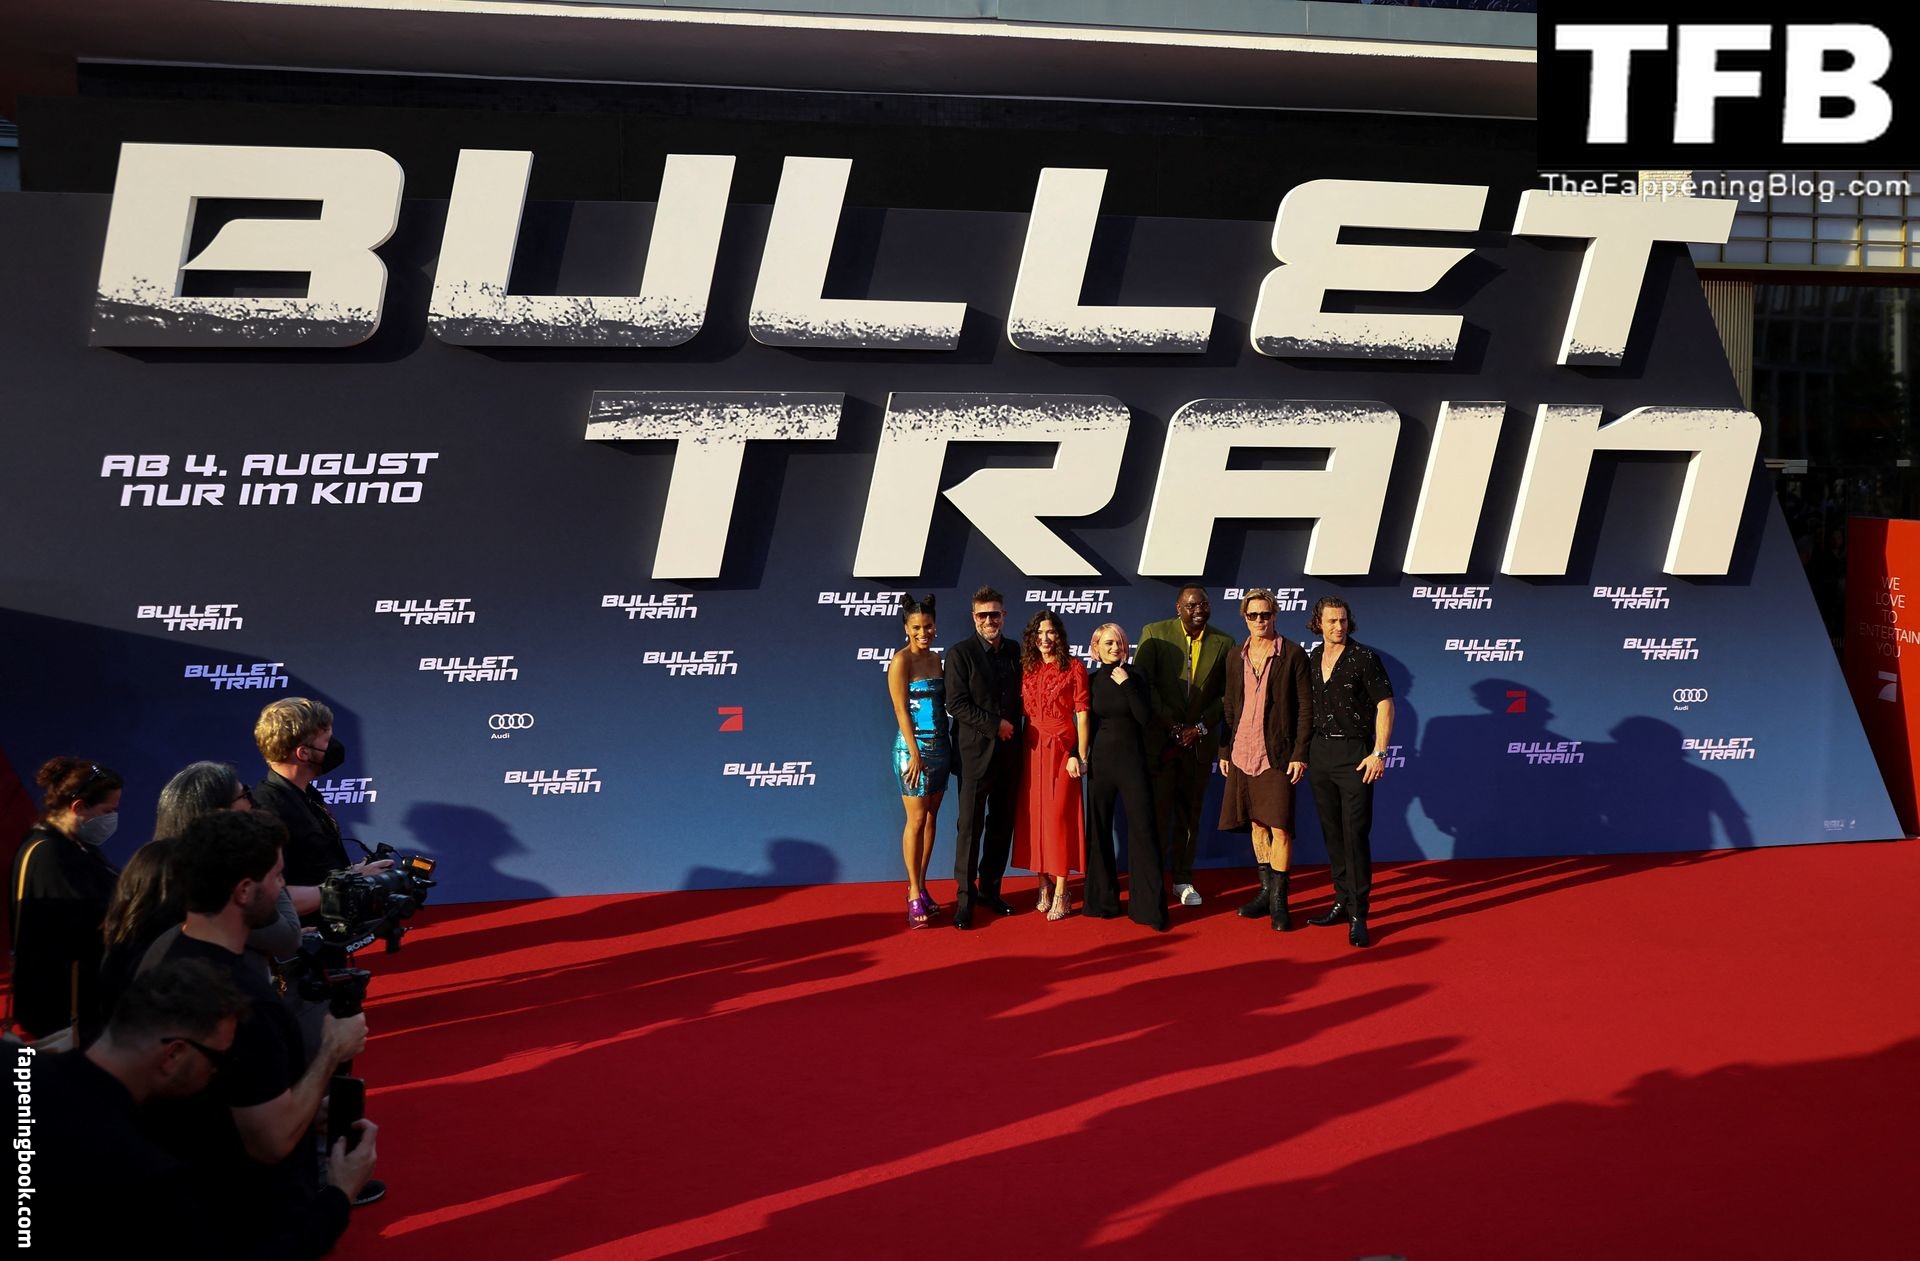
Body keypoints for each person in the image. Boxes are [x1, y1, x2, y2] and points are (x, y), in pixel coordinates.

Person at [33, 958, 376, 1259]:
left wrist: (297, 1116)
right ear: (174, 1054)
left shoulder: (21, 1073)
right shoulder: (147, 1173)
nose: (217, 1072)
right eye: (218, 1059)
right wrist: (339, 1194)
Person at [141, 810, 372, 1232]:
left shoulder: (165, 948)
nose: (283, 886)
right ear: (245, 891)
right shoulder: (244, 1002)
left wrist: (302, 1108)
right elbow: (271, 1141)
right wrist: (332, 1050)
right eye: (278, 876)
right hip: (238, 1213)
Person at [98, 761, 299, 1032]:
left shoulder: (149, 859)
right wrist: (262, 858)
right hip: (188, 1026)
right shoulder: (212, 874)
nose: (252, 804)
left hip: (131, 1021)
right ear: (218, 813)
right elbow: (287, 938)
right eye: (244, 796)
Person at [1217, 589, 1312, 932]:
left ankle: (1279, 903)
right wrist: (1225, 750)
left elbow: (1305, 708)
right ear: (1244, 618)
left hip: (1277, 754)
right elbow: (1229, 705)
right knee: (1256, 824)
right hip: (1242, 751)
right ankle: (1265, 893)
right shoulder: (1235, 655)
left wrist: (1300, 753)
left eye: (1266, 614)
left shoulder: (1293, 654)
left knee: (1280, 828)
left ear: (1275, 615)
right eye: (1253, 615)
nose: (1260, 620)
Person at [9, 757, 123, 1040]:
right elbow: (83, 926)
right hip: (58, 1016)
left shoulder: (78, 845)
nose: (113, 818)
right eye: (108, 811)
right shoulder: (46, 854)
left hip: (89, 1006)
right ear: (79, 807)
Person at [1304, 597, 1395, 948]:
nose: (1338, 627)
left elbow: (1385, 704)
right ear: (1318, 624)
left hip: (1355, 754)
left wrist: (1379, 752)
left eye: (1342, 620)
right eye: (1331, 621)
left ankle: (1359, 914)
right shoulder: (1313, 659)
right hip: (1320, 753)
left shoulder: (1364, 658)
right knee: (1333, 834)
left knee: (1354, 835)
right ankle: (1341, 901)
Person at [249, 698, 389, 926]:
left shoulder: (308, 796)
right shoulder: (266, 810)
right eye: (326, 740)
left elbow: (313, 868)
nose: (334, 746)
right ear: (303, 753)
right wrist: (352, 882)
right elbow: (269, 898)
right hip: (302, 936)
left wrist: (354, 873)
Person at [1136, 585, 1233, 908]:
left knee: (1190, 816)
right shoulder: (1155, 634)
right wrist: (1172, 726)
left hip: (1198, 745)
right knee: (1157, 814)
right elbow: (1144, 685)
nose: (1198, 610)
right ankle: (1151, 880)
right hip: (1162, 744)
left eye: (1203, 604)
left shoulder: (1224, 642)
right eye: (1191, 605)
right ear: (1178, 607)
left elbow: (1227, 695)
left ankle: (1182, 879)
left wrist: (1199, 728)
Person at [944, 585, 1024, 930]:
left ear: (1003, 615)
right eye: (983, 615)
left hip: (1010, 755)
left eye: (995, 614)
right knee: (969, 829)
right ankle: (965, 900)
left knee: (1001, 826)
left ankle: (991, 891)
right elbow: (956, 703)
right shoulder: (960, 654)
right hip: (975, 756)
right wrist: (996, 725)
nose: (989, 620)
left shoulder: (1015, 650)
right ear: (973, 617)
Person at [1082, 623, 1167, 930]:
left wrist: (1127, 683)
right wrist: (1077, 755)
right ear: (1096, 648)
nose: (1115, 647)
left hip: (1133, 762)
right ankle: (1102, 902)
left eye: (1119, 642)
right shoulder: (1091, 681)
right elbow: (1085, 724)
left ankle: (1147, 909)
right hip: (1101, 763)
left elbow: (1145, 717)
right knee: (1099, 830)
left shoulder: (1137, 675)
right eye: (1108, 643)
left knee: (1143, 831)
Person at [1012, 609, 1090, 920]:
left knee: (1059, 818)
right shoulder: (1027, 669)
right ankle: (1042, 883)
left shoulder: (1074, 667)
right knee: (1036, 819)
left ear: (1059, 636)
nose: (1045, 638)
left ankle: (1062, 890)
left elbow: (1082, 713)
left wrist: (1080, 754)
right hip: (1031, 748)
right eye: (1039, 633)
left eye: (1051, 632)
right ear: (1032, 637)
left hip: (1061, 749)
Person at [887, 594, 951, 927]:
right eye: (916, 627)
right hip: (912, 752)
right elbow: (900, 710)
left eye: (927, 626)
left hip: (941, 747)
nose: (923, 633)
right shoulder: (901, 661)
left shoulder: (938, 659)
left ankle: (922, 886)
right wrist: (914, 753)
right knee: (915, 820)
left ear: (935, 627)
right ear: (906, 628)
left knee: (930, 819)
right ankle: (912, 892)